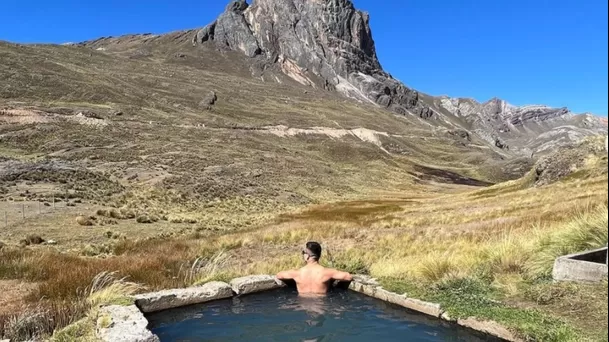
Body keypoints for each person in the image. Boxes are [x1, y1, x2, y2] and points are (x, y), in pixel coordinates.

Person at [276, 241, 353, 295]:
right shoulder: (327, 273)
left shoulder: (297, 273)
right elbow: (348, 277)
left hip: (302, 305)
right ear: (319, 255)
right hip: (321, 306)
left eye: (303, 253)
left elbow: (279, 275)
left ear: (307, 256)